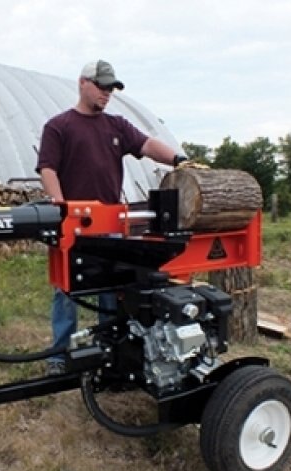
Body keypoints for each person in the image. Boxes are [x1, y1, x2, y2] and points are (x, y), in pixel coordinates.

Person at [35, 59, 186, 375]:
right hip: (73, 225)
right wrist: (61, 209)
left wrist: (179, 160)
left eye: (111, 89)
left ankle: (108, 349)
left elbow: (147, 145)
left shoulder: (116, 126)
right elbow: (48, 168)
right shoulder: (59, 126)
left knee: (111, 289)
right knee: (66, 292)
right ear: (82, 83)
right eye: (102, 87)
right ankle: (59, 356)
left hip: (111, 225)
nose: (106, 94)